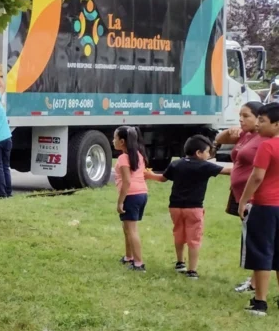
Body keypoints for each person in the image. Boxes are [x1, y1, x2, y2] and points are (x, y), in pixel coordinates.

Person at [145, 135, 231, 279]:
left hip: (175, 207)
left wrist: (149, 175)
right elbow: (228, 171)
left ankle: (180, 262)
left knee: (179, 233)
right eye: (208, 152)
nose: (209, 155)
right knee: (194, 238)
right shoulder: (205, 166)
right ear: (198, 153)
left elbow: (162, 178)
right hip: (194, 208)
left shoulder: (176, 164)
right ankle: (192, 270)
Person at [215, 101, 267, 293]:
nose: (241, 119)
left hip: (255, 197)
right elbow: (219, 139)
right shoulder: (245, 135)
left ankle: (256, 284)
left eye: (246, 116)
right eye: (240, 115)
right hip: (240, 195)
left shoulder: (264, 139)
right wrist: (230, 132)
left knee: (258, 240)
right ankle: (255, 281)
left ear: (259, 119)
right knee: (251, 237)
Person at [237, 103, 279, 316]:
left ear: (276, 124)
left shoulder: (267, 145)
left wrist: (243, 200)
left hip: (265, 206)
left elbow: (257, 177)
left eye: (263, 121)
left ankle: (260, 302)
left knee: (262, 253)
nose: (259, 125)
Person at [113, 126, 149, 272]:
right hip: (142, 194)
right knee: (127, 227)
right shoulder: (139, 155)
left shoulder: (123, 158)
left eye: (114, 138)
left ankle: (139, 263)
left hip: (131, 196)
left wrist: (120, 201)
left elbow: (127, 181)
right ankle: (129, 257)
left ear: (122, 141)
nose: (113, 141)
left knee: (132, 229)